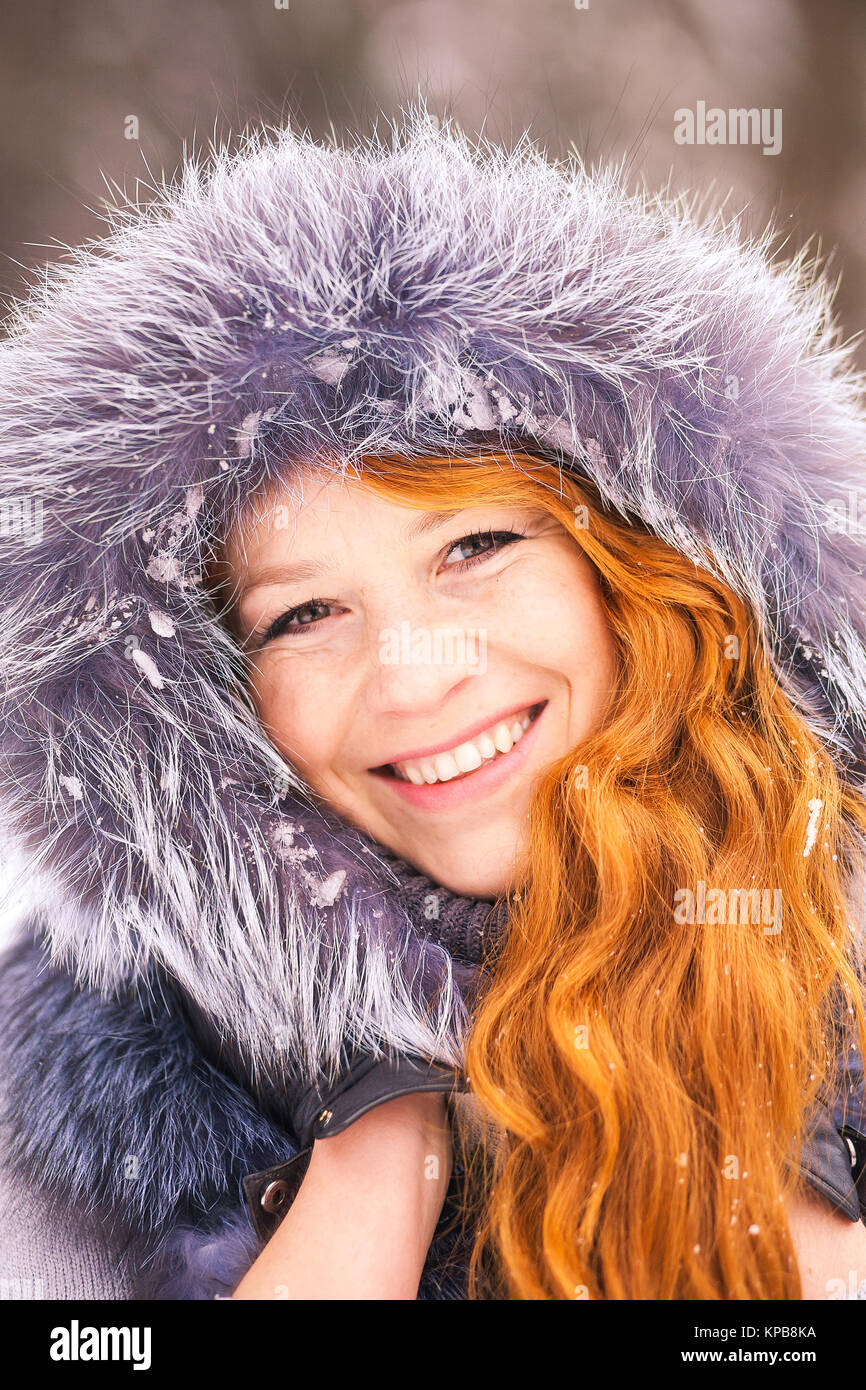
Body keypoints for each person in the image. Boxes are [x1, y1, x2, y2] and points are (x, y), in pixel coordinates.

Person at [1, 102, 865, 1301]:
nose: (411, 672)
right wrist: (371, 1139)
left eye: (471, 548)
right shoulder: (80, 1085)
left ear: (637, 555)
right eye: (301, 616)